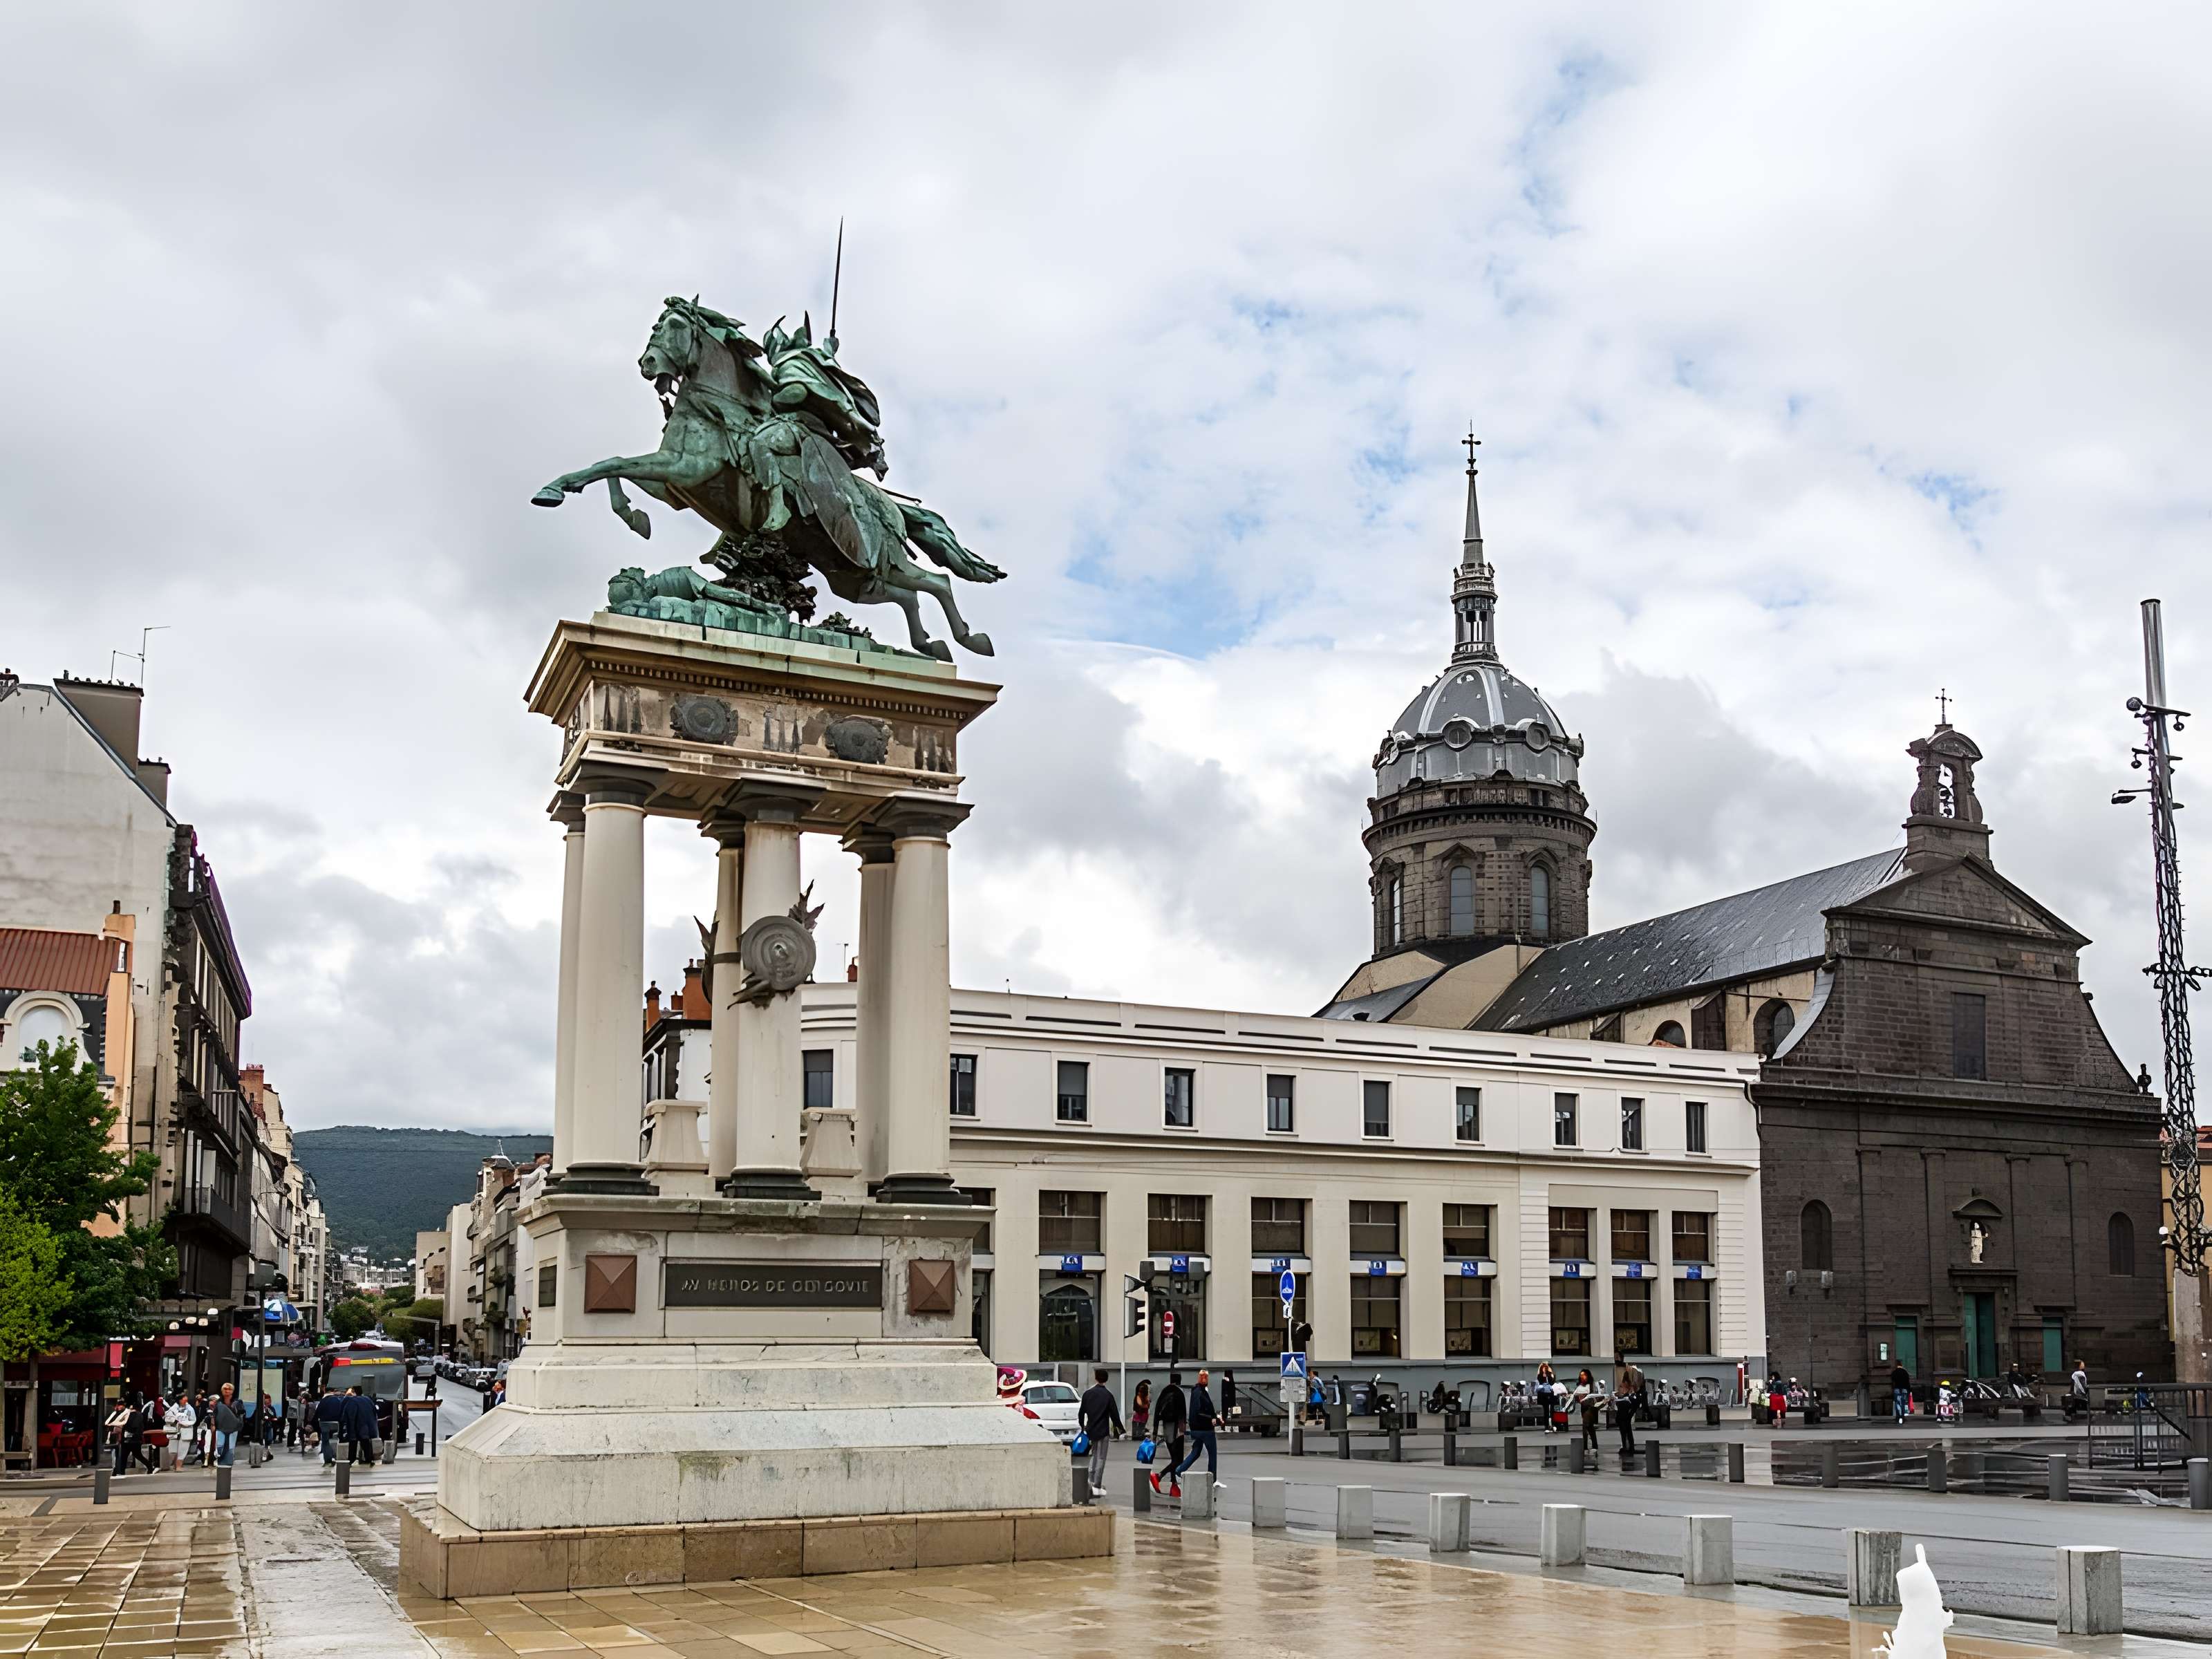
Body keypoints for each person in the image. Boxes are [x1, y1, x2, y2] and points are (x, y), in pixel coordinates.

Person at [1078, 1368, 1124, 1497]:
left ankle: (1089, 1480)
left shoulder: (1087, 1394)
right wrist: (1120, 1430)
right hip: (1103, 1431)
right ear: (1107, 1379)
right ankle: (1097, 1485)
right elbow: (1114, 1415)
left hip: (1091, 1430)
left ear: (1096, 1378)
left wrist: (1083, 1426)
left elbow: (1081, 1412)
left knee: (1093, 1455)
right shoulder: (1108, 1395)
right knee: (1101, 1457)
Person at [1172, 1368, 1219, 1490]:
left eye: (1206, 1377)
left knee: (1196, 1452)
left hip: (1200, 1428)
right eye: (1204, 1377)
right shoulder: (1200, 1392)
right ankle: (1212, 1480)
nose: (1205, 1379)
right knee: (1212, 1454)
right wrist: (1212, 1419)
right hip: (1205, 1429)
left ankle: (1179, 1470)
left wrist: (1214, 1416)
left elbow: (1201, 1410)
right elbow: (1198, 1412)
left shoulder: (1199, 1391)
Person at [1149, 1371, 1188, 1497]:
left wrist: (1155, 1432)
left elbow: (1156, 1412)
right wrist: (1183, 1431)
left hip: (1166, 1429)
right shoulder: (1179, 1393)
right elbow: (1183, 1414)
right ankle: (1159, 1476)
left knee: (1174, 1459)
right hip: (1177, 1429)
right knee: (1178, 1460)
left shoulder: (1164, 1392)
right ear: (1180, 1380)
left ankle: (1174, 1486)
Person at [1613, 1355, 1644, 1459]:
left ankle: (1628, 1447)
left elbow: (1630, 1395)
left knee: (1626, 1431)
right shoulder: (1627, 1382)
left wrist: (1623, 1395)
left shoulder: (1629, 1384)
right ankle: (1627, 1447)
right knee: (1626, 1431)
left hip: (1625, 1411)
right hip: (1624, 1411)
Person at [209, 1385, 245, 1468]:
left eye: (229, 1389)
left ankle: (227, 1465)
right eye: (225, 1389)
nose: (227, 1391)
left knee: (230, 1448)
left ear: (232, 1391)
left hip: (233, 1429)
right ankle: (220, 1462)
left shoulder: (237, 1403)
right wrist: (213, 1426)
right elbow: (214, 1415)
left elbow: (241, 1415)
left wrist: (238, 1425)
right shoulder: (219, 1403)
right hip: (221, 1428)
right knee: (220, 1447)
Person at [164, 1391, 197, 1472]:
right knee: (172, 1450)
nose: (185, 1400)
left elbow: (193, 1420)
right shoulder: (173, 1409)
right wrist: (175, 1421)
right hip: (174, 1431)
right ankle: (172, 1465)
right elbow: (167, 1419)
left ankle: (179, 1466)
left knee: (183, 1449)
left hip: (186, 1430)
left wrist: (184, 1423)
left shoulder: (190, 1408)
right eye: (183, 1398)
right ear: (179, 1400)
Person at [315, 1387, 346, 1466]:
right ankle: (336, 1456)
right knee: (336, 1439)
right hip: (336, 1423)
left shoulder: (323, 1400)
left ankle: (328, 1460)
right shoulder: (339, 1401)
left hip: (324, 1423)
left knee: (325, 1442)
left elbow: (317, 1412)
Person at [104, 1398, 134, 1476]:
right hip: (114, 1435)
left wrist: (115, 1426)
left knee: (120, 1453)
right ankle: (115, 1468)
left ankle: (119, 1468)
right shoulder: (115, 1413)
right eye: (118, 1405)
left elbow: (126, 1423)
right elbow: (107, 1422)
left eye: (120, 1405)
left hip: (122, 1435)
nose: (119, 1407)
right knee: (114, 1452)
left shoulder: (127, 1413)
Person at [1573, 1369, 1601, 1453]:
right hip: (1583, 1408)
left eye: (1584, 1375)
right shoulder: (1579, 1387)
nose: (1582, 1377)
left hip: (1590, 1408)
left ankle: (1585, 1447)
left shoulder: (1592, 1385)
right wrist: (1578, 1398)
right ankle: (1595, 1445)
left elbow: (1597, 1396)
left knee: (1585, 1426)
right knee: (1590, 1427)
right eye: (1581, 1375)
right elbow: (1575, 1397)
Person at [1535, 1361, 1559, 1433]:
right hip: (1544, 1395)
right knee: (1546, 1411)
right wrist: (1541, 1366)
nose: (1545, 1369)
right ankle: (1546, 1426)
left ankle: (1554, 1425)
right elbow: (1539, 1382)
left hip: (1550, 1394)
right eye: (1544, 1368)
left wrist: (1550, 1371)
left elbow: (1553, 1382)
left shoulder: (1550, 1375)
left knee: (1552, 1410)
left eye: (1546, 1368)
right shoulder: (1540, 1376)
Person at [1889, 1358, 1912, 1423]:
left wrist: (1893, 1389)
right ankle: (1902, 1417)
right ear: (1902, 1365)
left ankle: (1898, 1416)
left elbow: (1892, 1382)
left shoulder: (1894, 1372)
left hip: (1897, 1389)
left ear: (1896, 1365)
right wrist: (1909, 1390)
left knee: (1898, 1403)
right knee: (1903, 1403)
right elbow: (1908, 1383)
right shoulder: (1905, 1372)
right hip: (1904, 1389)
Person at [1130, 1378, 1151, 1444]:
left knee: (1137, 1426)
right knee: (1140, 1426)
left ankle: (1136, 1436)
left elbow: (1141, 1405)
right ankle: (1139, 1435)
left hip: (1140, 1414)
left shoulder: (1139, 1397)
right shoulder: (1144, 1398)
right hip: (1142, 1414)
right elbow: (1146, 1405)